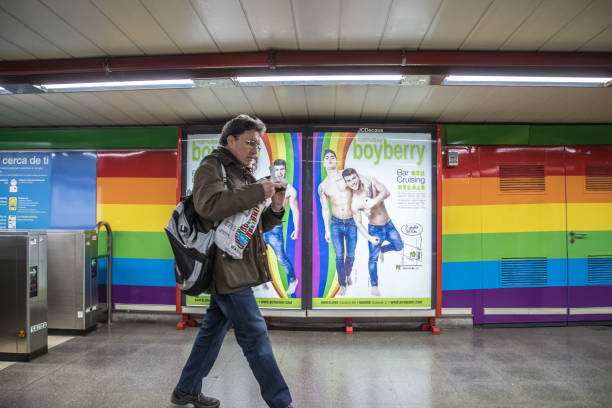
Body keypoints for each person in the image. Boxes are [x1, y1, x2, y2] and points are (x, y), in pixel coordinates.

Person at [171, 114, 294, 408]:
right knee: (255, 336)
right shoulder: (211, 167)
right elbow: (208, 206)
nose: (255, 150)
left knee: (212, 331)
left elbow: (249, 228)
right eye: (250, 143)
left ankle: (186, 389)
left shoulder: (243, 174)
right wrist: (257, 190)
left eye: (258, 145)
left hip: (235, 265)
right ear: (231, 140)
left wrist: (275, 209)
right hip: (226, 269)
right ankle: (281, 402)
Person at [342, 168, 403, 297]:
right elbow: (358, 223)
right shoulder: (354, 203)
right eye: (349, 181)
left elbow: (387, 192)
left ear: (357, 176)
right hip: (375, 230)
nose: (352, 182)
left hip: (389, 224)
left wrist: (373, 202)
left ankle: (383, 249)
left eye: (354, 178)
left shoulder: (371, 182)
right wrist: (369, 238)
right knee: (372, 259)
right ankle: (374, 286)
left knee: (399, 246)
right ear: (346, 183)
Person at [317, 149, 356, 297]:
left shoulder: (346, 176)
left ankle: (347, 273)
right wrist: (327, 230)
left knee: (351, 254)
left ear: (336, 160)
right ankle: (343, 284)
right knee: (339, 255)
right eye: (326, 157)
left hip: (351, 221)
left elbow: (358, 190)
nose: (329, 159)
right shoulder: (323, 186)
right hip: (336, 223)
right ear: (324, 163)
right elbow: (325, 209)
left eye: (332, 156)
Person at [264, 159, 300, 296]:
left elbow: (295, 210)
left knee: (281, 258)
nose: (279, 172)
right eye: (277, 169)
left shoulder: (290, 190)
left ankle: (292, 279)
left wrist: (296, 229)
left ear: (285, 170)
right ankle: (261, 281)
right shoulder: (267, 186)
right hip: (260, 226)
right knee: (256, 254)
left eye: (281, 169)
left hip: (274, 227)